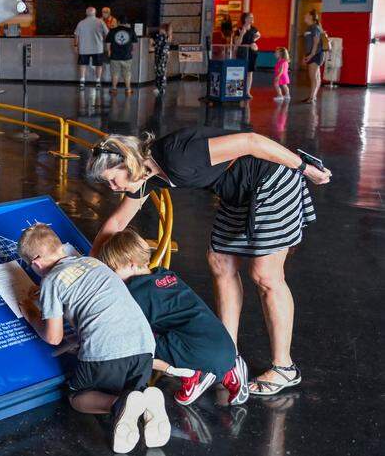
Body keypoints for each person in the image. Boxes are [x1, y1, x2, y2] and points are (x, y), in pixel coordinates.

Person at [86, 128, 331, 398]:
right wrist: (92, 268)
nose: (113, 188)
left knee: (266, 275)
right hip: (237, 190)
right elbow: (117, 223)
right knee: (220, 262)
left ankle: (284, 367)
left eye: (112, 180)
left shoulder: (177, 156)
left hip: (272, 180)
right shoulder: (147, 176)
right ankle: (227, 359)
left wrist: (305, 168)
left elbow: (251, 141)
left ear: (127, 163)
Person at [18, 224, 169, 453]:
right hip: (144, 347)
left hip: (107, 350)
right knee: (132, 394)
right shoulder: (94, 262)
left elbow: (54, 337)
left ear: (37, 262)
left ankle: (118, 404)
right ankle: (146, 403)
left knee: (78, 397)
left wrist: (30, 313)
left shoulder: (51, 281)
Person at [96, 229, 248, 406]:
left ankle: (193, 374)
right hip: (224, 344)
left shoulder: (134, 292)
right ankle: (226, 372)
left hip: (199, 350)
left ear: (130, 264)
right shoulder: (165, 275)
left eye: (113, 270)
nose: (113, 276)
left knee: (134, 348)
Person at [74, 7, 108, 88]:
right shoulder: (100, 22)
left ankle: (82, 81)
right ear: (95, 13)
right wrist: (106, 43)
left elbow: (76, 35)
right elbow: (107, 33)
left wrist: (75, 45)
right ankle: (98, 81)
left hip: (83, 48)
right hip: (97, 48)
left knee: (83, 65)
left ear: (86, 13)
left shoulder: (81, 23)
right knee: (99, 65)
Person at [301, 10, 325, 104]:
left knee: (313, 77)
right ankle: (313, 96)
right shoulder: (309, 27)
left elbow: (316, 41)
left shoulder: (314, 27)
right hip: (312, 54)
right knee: (316, 76)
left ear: (311, 16)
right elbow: (307, 43)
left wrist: (311, 55)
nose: (304, 16)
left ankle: (312, 97)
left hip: (316, 54)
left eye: (306, 14)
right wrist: (305, 55)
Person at [106, 23, 138, 95]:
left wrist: (109, 51)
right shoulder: (131, 30)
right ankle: (128, 89)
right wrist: (132, 51)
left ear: (118, 22)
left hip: (115, 55)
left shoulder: (112, 30)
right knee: (127, 73)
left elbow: (108, 42)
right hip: (127, 56)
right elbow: (135, 43)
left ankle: (114, 89)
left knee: (115, 73)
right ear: (126, 23)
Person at [236, 13, 260, 99]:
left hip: (252, 53)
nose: (253, 18)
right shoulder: (239, 29)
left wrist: (254, 41)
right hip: (242, 52)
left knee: (250, 73)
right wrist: (242, 33)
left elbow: (258, 35)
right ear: (246, 19)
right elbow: (237, 44)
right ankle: (239, 90)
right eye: (251, 17)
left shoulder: (254, 29)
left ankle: (247, 92)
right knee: (241, 72)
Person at [151, 25, 171, 95]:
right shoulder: (166, 37)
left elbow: (154, 45)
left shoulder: (161, 37)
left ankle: (159, 89)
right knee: (162, 72)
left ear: (163, 30)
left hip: (160, 57)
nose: (159, 30)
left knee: (159, 73)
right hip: (163, 58)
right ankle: (161, 89)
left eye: (160, 29)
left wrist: (152, 42)